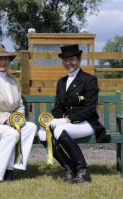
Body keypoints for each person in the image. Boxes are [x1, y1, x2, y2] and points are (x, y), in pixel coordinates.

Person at [38, 44, 106, 184]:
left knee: (60, 130)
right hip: (67, 124)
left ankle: (83, 171)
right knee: (43, 134)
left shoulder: (89, 80)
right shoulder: (61, 82)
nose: (68, 63)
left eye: (72, 59)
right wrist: (52, 119)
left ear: (79, 59)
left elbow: (90, 109)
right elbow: (58, 107)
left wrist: (67, 120)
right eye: (65, 60)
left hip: (87, 123)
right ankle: (69, 168)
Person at [0, 43, 37, 185]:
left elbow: (20, 105)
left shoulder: (14, 81)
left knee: (31, 127)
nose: (3, 62)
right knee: (12, 134)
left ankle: (10, 169)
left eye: (5, 59)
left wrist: (18, 119)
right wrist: (5, 121)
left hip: (10, 123)